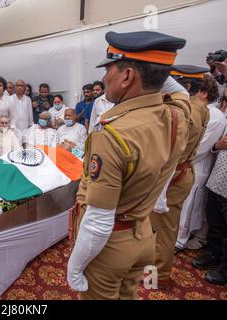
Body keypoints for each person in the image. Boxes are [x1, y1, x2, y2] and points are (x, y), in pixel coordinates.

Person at [67, 30, 189, 300]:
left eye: (109, 68)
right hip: (143, 233)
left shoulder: (111, 135)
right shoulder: (176, 115)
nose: (103, 77)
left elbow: (99, 220)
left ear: (127, 75)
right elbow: (180, 93)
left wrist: (74, 268)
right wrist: (155, 69)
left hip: (110, 244)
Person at [151, 68, 219, 289]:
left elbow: (170, 151)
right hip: (184, 171)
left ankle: (158, 276)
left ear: (186, 87)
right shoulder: (203, 109)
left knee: (163, 229)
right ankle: (157, 270)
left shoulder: (183, 111)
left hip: (172, 175)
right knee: (166, 226)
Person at [175, 72, 227, 251]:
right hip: (182, 163)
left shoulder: (215, 116)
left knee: (189, 206)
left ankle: (180, 240)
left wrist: (177, 158)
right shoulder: (195, 110)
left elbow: (200, 147)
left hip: (195, 165)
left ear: (204, 93)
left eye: (193, 90)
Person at [191, 127, 227, 285]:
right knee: (215, 221)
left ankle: (225, 268)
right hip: (218, 179)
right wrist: (217, 146)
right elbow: (216, 145)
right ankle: (213, 254)